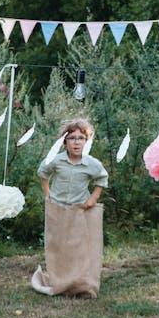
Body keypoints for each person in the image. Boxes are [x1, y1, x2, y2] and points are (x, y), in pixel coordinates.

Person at [31, 118, 108, 297]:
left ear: (86, 141)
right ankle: (60, 281)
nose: (76, 142)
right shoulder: (56, 161)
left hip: (80, 210)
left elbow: (102, 179)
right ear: (65, 142)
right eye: (72, 138)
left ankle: (80, 284)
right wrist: (47, 192)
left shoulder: (91, 164)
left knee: (78, 247)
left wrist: (93, 198)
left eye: (81, 138)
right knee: (58, 246)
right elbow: (43, 172)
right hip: (57, 209)